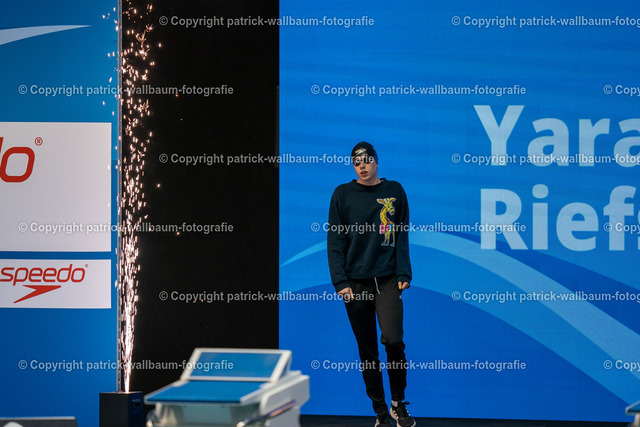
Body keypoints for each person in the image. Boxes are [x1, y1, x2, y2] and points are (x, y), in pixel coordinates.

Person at [327, 141, 415, 427]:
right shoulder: (342, 194)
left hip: (388, 278)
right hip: (355, 283)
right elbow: (335, 241)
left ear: (376, 161)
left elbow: (401, 234)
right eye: (356, 161)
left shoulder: (395, 191)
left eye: (366, 159)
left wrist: (404, 273)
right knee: (367, 351)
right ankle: (380, 412)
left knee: (393, 339)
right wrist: (340, 281)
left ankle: (398, 403)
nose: (361, 165)